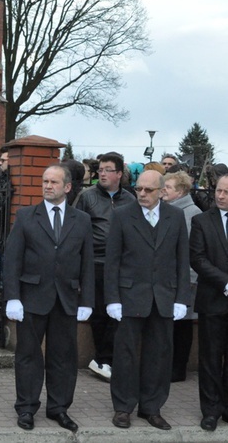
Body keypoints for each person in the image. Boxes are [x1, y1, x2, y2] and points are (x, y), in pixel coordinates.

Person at [4, 165, 95, 432]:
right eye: (45, 181)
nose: (47, 186)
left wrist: (87, 300)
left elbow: (87, 263)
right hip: (32, 296)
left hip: (66, 299)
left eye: (54, 182)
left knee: (63, 357)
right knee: (28, 355)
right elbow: (12, 260)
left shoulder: (82, 220)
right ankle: (27, 407)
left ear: (67, 187)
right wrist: (12, 297)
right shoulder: (26, 217)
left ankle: (59, 408)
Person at [104, 170, 190, 430]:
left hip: (164, 296)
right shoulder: (121, 215)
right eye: (139, 188)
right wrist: (112, 299)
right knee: (125, 354)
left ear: (162, 191)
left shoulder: (175, 217)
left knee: (160, 354)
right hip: (130, 296)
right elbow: (112, 260)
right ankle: (123, 407)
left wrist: (181, 298)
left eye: (148, 190)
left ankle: (151, 407)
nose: (141, 194)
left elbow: (182, 259)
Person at [75, 152, 135, 381]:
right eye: (100, 169)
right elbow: (77, 228)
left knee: (118, 313)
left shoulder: (129, 199)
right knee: (99, 313)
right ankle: (103, 359)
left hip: (121, 264)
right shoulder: (87, 196)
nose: (102, 173)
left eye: (108, 169)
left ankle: (105, 359)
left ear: (119, 174)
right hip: (96, 263)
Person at [190, 174, 228, 431]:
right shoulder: (202, 221)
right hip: (213, 300)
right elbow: (198, 259)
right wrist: (225, 282)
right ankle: (211, 411)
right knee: (211, 358)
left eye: (226, 192)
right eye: (219, 190)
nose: (220, 195)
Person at [162, 171, 202, 382]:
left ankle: (178, 369)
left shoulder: (190, 213)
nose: (163, 191)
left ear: (180, 191)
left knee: (182, 325)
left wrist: (190, 280)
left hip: (185, 280)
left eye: (167, 187)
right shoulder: (170, 210)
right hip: (171, 280)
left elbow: (191, 251)